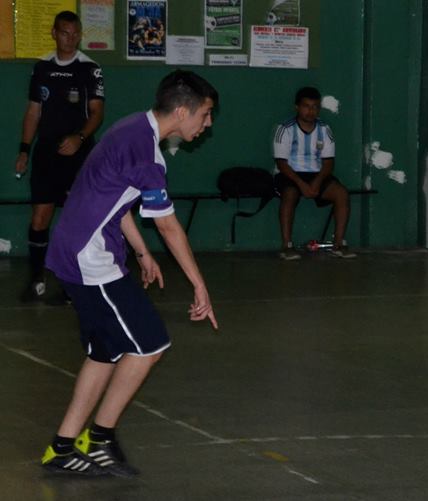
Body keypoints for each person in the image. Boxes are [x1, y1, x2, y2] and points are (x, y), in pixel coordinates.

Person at [39, 70, 220, 476]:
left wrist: (141, 252)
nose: (207, 124)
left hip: (74, 248)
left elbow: (114, 199)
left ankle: (63, 447)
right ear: (182, 111)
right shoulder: (147, 154)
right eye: (205, 114)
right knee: (150, 344)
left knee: (105, 351)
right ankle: (99, 437)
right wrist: (199, 285)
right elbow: (168, 227)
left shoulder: (131, 127)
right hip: (89, 257)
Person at [14, 10, 104, 302]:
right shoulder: (41, 67)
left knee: (74, 220)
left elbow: (97, 113)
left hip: (78, 154)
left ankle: (71, 285)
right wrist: (24, 149)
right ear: (54, 33)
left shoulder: (89, 68)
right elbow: (33, 112)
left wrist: (79, 138)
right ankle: (36, 279)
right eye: (65, 33)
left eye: (76, 34)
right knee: (40, 217)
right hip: (46, 154)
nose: (70, 38)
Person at [273, 86, 355, 260]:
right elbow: (281, 163)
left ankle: (339, 244)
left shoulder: (324, 129)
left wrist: (316, 182)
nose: (311, 111)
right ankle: (287, 246)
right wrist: (302, 185)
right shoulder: (285, 129)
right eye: (306, 106)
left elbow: (328, 163)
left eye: (315, 107)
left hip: (317, 174)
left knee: (341, 193)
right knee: (290, 194)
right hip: (290, 174)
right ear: (297, 107)